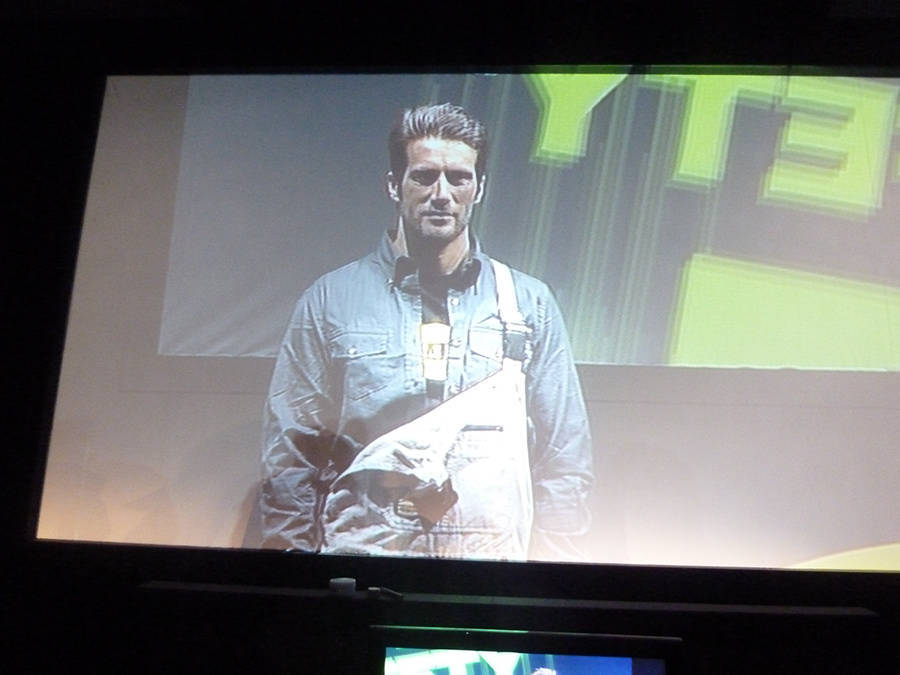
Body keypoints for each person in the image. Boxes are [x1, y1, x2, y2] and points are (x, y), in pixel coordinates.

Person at [260, 102, 593, 561]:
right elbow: (291, 458)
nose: (442, 194)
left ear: (479, 188)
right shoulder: (330, 301)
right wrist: (295, 573)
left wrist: (552, 577)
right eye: (424, 176)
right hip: (365, 561)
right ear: (393, 185)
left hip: (489, 567)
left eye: (458, 178)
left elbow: (563, 457)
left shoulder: (529, 304)